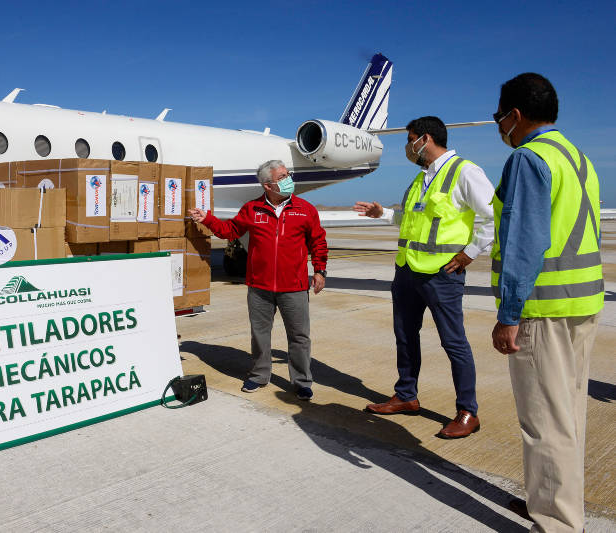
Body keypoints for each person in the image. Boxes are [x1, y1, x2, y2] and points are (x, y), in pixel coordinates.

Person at [490, 73, 603, 532]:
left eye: (501, 118)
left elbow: (524, 242)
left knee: (544, 423)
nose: (501, 128)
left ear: (516, 116)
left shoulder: (527, 159)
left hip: (544, 308)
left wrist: (508, 314)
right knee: (569, 415)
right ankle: (552, 500)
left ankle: (555, 522)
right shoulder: (579, 158)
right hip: (584, 304)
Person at [354, 116, 495, 439]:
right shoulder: (420, 179)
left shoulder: (465, 172)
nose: (407, 146)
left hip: (442, 274)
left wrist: (470, 253)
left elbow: (492, 217)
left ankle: (467, 411)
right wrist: (384, 214)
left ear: (425, 139)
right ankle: (406, 395)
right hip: (407, 270)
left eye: (410, 138)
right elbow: (411, 220)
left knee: (453, 341)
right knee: (405, 335)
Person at [189, 160, 328, 400]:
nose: (288, 179)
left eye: (288, 174)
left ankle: (302, 381)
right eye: (282, 177)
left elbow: (318, 241)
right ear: (267, 185)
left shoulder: (305, 209)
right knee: (260, 335)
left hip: (293, 287)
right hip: (259, 287)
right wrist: (207, 219)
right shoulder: (252, 209)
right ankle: (259, 375)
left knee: (299, 336)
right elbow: (229, 230)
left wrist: (319, 270)